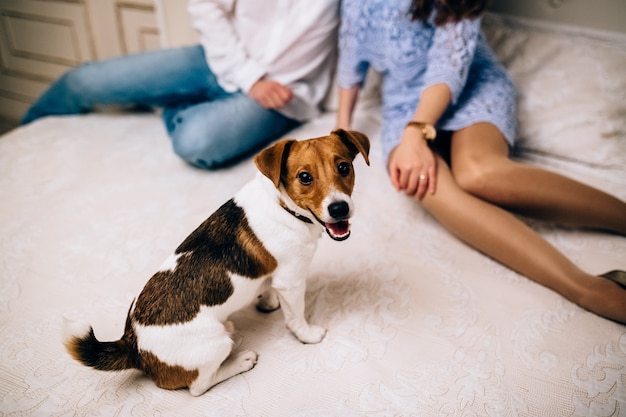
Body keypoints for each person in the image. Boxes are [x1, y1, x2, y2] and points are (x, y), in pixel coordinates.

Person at [336, 0, 626, 324]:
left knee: (478, 173)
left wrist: (416, 133)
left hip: (472, 87)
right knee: (426, 186)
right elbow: (351, 62)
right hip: (403, 105)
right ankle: (585, 287)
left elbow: (449, 64)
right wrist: (340, 129)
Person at [22, 0, 340, 169]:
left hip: (286, 92)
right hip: (215, 60)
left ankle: (172, 105)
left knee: (196, 142)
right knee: (83, 80)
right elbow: (206, 5)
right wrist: (249, 77)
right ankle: (22, 143)